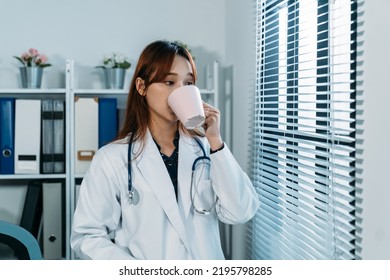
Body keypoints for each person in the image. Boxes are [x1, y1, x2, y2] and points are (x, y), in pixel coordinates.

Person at [71, 40, 259, 260]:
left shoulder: (207, 150)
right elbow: (87, 238)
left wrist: (215, 141)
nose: (180, 91)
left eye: (188, 84)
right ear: (142, 87)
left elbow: (240, 212)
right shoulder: (112, 159)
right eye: (169, 82)